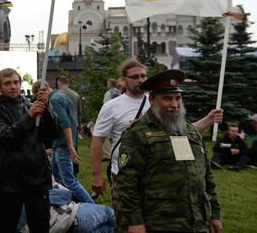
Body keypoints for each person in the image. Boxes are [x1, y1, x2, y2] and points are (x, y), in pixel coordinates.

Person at [90, 59, 223, 223]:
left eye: (143, 75)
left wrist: (208, 120)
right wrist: (96, 175)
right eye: (135, 76)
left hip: (162, 180)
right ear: (123, 80)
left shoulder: (162, 100)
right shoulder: (112, 106)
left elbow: (183, 132)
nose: (140, 79)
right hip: (126, 175)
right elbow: (98, 141)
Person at [0, 69, 60, 233]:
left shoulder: (31, 105)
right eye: (7, 83)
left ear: (21, 84)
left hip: (38, 179)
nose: (13, 86)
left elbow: (53, 133)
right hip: (9, 183)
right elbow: (6, 137)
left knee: (40, 226)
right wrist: (29, 117)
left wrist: (47, 108)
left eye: (15, 82)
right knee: (5, 227)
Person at [48, 83, 93, 203]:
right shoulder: (63, 96)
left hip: (62, 143)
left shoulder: (53, 100)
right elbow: (74, 117)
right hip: (61, 143)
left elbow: (65, 122)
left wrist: (70, 146)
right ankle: (63, 204)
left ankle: (93, 206)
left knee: (69, 181)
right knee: (56, 178)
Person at [18, 182, 115, 233]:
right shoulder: (31, 196)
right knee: (114, 216)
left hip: (70, 230)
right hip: (79, 215)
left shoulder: (10, 220)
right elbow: (65, 193)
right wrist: (55, 186)